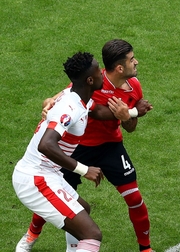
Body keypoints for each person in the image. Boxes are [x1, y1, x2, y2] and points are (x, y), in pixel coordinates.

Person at [20, 40, 155, 252]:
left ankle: (145, 248)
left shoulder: (133, 86)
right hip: (77, 150)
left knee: (133, 197)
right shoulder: (90, 85)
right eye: (132, 59)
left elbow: (128, 127)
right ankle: (31, 235)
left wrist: (129, 115)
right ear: (119, 67)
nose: (136, 62)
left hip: (110, 146)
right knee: (56, 194)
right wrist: (48, 103)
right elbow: (61, 98)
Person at [13, 52, 105, 252]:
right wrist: (84, 169)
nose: (102, 74)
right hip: (35, 178)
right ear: (90, 80)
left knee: (84, 210)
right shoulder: (70, 106)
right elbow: (46, 144)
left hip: (47, 174)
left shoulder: (79, 97)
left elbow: (96, 110)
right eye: (99, 71)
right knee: (92, 234)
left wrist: (132, 112)